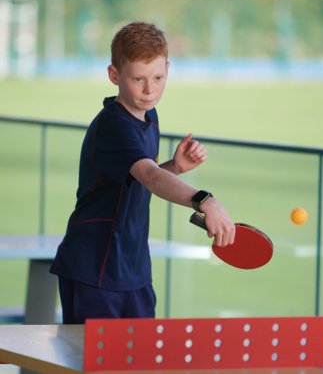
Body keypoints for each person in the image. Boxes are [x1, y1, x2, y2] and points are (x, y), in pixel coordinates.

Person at [50, 21, 235, 323]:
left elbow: (136, 178)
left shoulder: (150, 117)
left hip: (134, 269)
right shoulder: (113, 125)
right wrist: (205, 200)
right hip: (94, 269)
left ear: (168, 70)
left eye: (158, 77)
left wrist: (174, 168)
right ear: (114, 75)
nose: (150, 90)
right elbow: (148, 175)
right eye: (138, 79)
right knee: (97, 370)